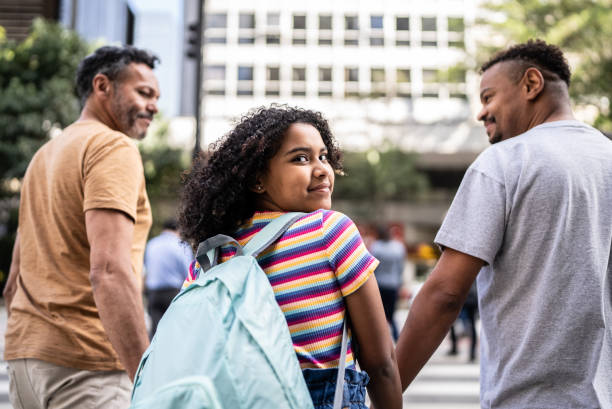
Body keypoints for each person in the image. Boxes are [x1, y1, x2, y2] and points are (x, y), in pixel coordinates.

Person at [395, 39, 612, 408]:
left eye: (488, 97)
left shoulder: (504, 162)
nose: (482, 113)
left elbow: (445, 295)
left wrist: (382, 392)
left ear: (531, 84)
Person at [178, 105, 402, 409]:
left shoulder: (211, 255)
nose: (323, 169)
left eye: (323, 156)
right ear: (258, 180)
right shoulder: (329, 230)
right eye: (300, 158)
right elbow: (381, 363)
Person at [3, 45, 160, 409]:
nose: (153, 106)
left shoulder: (44, 156)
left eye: (156, 97)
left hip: (27, 362)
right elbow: (109, 271)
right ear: (102, 86)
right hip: (88, 368)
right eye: (143, 93)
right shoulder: (111, 147)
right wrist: (147, 376)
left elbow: (14, 281)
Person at [144, 218, 193, 338]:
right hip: (173, 292)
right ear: (178, 230)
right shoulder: (181, 245)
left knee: (155, 332)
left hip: (153, 293)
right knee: (175, 331)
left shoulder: (152, 243)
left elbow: (146, 267)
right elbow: (189, 271)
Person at [370, 224, 405, 341]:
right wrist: (400, 284)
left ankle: (379, 338)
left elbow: (372, 269)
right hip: (393, 285)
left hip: (379, 285)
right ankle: (396, 337)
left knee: (379, 314)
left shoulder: (376, 247)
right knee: (391, 314)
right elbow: (400, 268)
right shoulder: (398, 247)